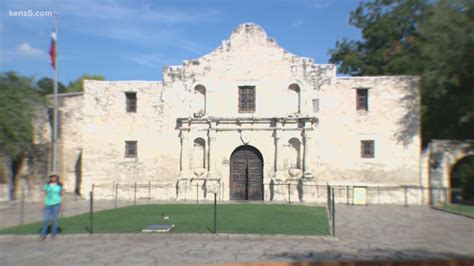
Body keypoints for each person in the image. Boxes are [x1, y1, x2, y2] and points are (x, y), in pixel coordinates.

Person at [40, 173, 65, 240]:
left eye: (55, 177)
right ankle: (43, 234)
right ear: (50, 178)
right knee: (46, 220)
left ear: (57, 177)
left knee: (55, 219)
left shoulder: (60, 185)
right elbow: (44, 194)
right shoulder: (47, 185)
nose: (53, 178)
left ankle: (53, 234)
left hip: (56, 203)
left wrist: (62, 204)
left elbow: (62, 195)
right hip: (48, 204)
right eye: (52, 177)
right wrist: (42, 203)